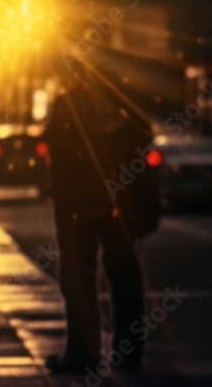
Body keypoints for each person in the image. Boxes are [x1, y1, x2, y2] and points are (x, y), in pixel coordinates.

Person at [43, 63, 153, 374]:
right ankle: (119, 353)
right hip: (109, 202)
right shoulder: (116, 98)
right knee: (117, 277)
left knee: (87, 276)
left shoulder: (78, 102)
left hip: (92, 203)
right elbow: (144, 142)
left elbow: (59, 155)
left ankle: (88, 353)